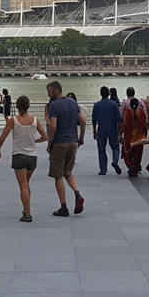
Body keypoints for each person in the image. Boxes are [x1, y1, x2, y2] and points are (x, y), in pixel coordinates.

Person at [0, 95, 47, 222]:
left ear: (17, 106)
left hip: (19, 156)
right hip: (32, 157)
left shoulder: (13, 121)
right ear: (29, 106)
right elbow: (45, 137)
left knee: (23, 186)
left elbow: (2, 138)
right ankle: (25, 208)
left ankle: (27, 214)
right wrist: (34, 141)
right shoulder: (35, 120)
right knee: (26, 184)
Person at [44, 81, 85, 216]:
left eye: (49, 92)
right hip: (73, 142)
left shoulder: (54, 105)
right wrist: (81, 138)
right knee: (68, 172)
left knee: (58, 176)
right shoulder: (73, 102)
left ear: (55, 91)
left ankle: (64, 207)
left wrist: (49, 143)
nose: (48, 95)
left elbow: (53, 126)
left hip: (59, 143)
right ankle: (77, 193)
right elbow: (83, 121)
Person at [91, 86, 123, 175]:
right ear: (109, 94)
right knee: (115, 147)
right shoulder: (114, 104)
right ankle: (115, 161)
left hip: (101, 129)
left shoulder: (97, 105)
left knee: (101, 150)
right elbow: (118, 119)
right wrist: (119, 131)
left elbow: (94, 120)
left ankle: (103, 170)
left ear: (100, 94)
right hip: (112, 129)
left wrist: (94, 131)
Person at [121, 90, 149, 177]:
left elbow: (123, 123)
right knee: (138, 154)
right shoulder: (142, 114)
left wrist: (120, 133)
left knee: (128, 152)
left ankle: (131, 166)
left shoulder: (127, 113)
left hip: (129, 135)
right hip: (139, 136)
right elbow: (145, 123)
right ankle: (136, 167)